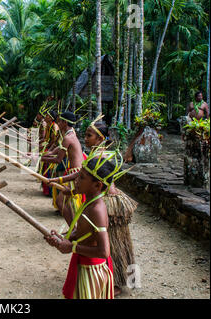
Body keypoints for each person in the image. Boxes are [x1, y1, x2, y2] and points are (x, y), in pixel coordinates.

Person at [49, 118, 138, 295]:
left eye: (89, 135)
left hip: (111, 202)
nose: (86, 138)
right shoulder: (93, 157)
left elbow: (86, 178)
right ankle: (120, 279)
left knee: (114, 244)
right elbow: (80, 175)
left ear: (100, 138)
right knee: (100, 238)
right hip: (100, 199)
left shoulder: (99, 157)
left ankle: (119, 280)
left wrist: (71, 245)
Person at [44, 148, 126, 299]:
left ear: (97, 186)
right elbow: (83, 232)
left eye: (81, 178)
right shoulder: (89, 202)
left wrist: (72, 247)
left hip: (92, 271)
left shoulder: (96, 210)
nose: (76, 180)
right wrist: (62, 239)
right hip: (84, 265)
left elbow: (104, 251)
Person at [41, 111, 86, 213]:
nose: (58, 123)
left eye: (60, 121)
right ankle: (74, 226)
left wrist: (41, 159)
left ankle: (75, 227)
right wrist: (41, 156)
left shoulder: (67, 137)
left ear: (65, 123)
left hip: (75, 171)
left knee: (61, 202)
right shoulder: (70, 134)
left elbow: (58, 159)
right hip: (74, 170)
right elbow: (55, 151)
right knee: (62, 201)